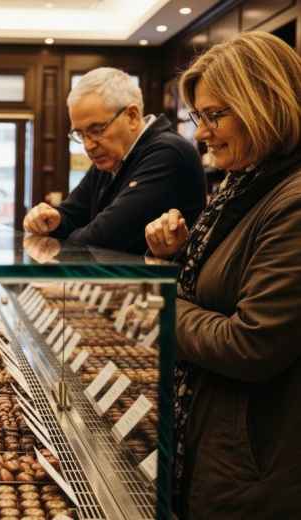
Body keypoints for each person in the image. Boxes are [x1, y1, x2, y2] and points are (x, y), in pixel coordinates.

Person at [144, 32, 301, 519]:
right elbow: (217, 289)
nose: (201, 134)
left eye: (215, 115)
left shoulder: (292, 200)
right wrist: (173, 257)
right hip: (219, 446)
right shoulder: (246, 184)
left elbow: (252, 344)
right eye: (198, 117)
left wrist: (160, 299)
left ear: (265, 104)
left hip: (256, 470)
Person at [24, 67, 206, 255]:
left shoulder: (168, 153)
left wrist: (59, 239)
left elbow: (102, 239)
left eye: (97, 130)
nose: (88, 145)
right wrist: (49, 220)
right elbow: (71, 214)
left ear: (132, 116)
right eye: (80, 134)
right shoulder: (110, 158)